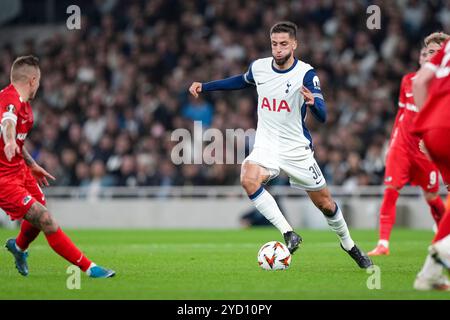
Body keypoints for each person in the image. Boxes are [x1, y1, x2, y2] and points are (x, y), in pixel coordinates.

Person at [189, 21, 372, 268]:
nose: (278, 49)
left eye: (283, 44)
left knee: (326, 204)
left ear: (294, 44)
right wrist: (206, 86)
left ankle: (349, 245)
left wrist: (313, 104)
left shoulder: (306, 74)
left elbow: (323, 116)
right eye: (274, 44)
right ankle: (288, 232)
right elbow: (240, 81)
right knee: (248, 177)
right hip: (267, 144)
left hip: (296, 149)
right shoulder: (260, 67)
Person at [1, 55, 115, 278]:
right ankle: (90, 269)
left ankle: (19, 247)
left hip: (20, 171)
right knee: (45, 219)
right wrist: (10, 140)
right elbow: (8, 123)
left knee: (40, 210)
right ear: (33, 80)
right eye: (39, 81)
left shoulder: (25, 106)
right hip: (3, 179)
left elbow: (18, 140)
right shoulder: (10, 100)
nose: (39, 86)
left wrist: (31, 164)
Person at [368, 45, 446, 256]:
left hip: (425, 151)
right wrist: (392, 142)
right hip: (401, 147)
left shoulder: (441, 87)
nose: (426, 57)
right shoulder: (408, 81)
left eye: (432, 54)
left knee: (431, 196)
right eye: (423, 53)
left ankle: (443, 236)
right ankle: (383, 243)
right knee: (391, 190)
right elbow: (402, 112)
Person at [411, 32, 450, 290]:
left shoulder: (445, 52)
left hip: (433, 129)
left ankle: (429, 274)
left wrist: (426, 125)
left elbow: (419, 82)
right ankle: (445, 248)